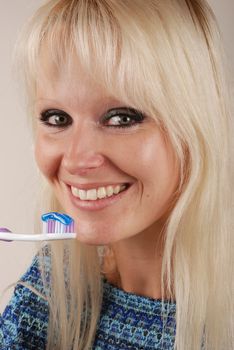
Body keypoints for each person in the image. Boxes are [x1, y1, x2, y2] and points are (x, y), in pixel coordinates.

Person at [0, 0, 233, 349]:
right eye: (57, 118)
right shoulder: (51, 288)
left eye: (121, 118)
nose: (77, 160)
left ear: (195, 126)